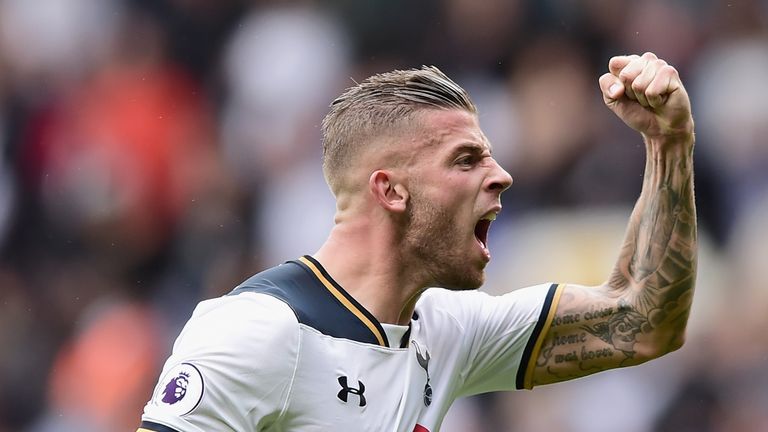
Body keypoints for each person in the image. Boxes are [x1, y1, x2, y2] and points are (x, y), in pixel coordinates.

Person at [137, 52, 697, 432]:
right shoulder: (261, 331)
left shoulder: (446, 328)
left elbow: (643, 321)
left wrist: (668, 140)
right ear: (392, 190)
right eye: (466, 159)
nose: (500, 176)